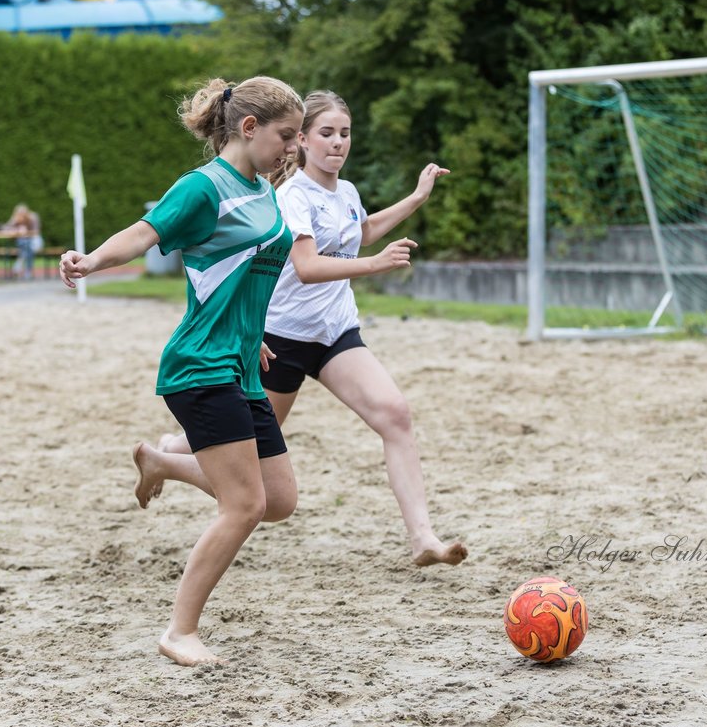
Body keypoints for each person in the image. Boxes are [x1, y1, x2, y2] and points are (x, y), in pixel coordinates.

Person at [139, 90, 468, 567]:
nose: (338, 143)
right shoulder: (290, 195)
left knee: (394, 415)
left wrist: (416, 198)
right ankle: (168, 456)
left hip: (334, 335)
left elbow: (361, 230)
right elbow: (309, 266)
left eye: (346, 133)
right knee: (248, 470)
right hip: (279, 340)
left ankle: (423, 538)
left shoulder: (347, 192)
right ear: (302, 141)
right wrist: (374, 265)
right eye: (326, 133)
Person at [60, 76, 304, 666]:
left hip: (241, 361)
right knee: (243, 506)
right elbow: (146, 234)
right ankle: (179, 631)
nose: (293, 148)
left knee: (279, 500)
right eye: (286, 135)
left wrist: (253, 337)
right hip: (200, 366)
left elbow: (244, 277)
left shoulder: (263, 187)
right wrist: (91, 259)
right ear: (249, 128)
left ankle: (165, 460)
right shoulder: (204, 189)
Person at [6, 204, 42, 280]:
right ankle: (28, 272)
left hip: (35, 242)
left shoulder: (32, 217)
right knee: (25, 245)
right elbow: (6, 228)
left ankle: (17, 267)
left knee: (26, 244)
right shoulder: (16, 219)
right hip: (26, 245)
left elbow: (36, 232)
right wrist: (15, 230)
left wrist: (26, 232)